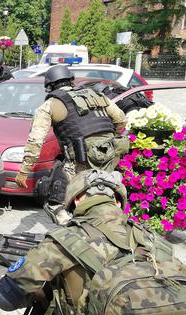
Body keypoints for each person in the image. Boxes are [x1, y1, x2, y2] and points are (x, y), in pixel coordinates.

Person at [0, 169, 186, 315]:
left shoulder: (65, 240)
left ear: (77, 199)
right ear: (118, 202)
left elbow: (5, 299)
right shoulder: (155, 240)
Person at [14, 65, 127, 224]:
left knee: (55, 195)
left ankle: (66, 224)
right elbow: (121, 120)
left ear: (49, 86)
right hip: (109, 156)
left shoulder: (50, 105)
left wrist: (24, 171)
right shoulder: (96, 95)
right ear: (71, 80)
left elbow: (35, 142)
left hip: (80, 162)